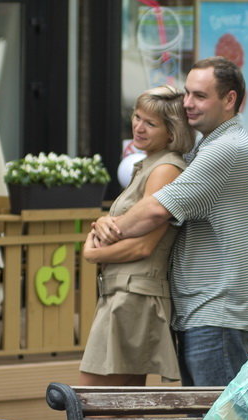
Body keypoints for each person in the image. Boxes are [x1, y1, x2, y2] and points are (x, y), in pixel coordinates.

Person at [90, 56, 248, 386]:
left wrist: (106, 233)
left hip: (219, 308)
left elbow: (158, 209)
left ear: (230, 100)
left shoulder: (228, 147)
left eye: (200, 96)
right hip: (205, 308)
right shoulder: (207, 145)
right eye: (187, 93)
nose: (188, 104)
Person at [78, 85, 193, 386]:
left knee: (96, 405)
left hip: (134, 295)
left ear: (172, 133)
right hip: (126, 293)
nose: (138, 127)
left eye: (150, 123)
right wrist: (101, 223)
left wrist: (93, 253)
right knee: (123, 408)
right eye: (137, 117)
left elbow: (144, 245)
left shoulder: (165, 168)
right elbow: (126, 224)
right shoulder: (148, 166)